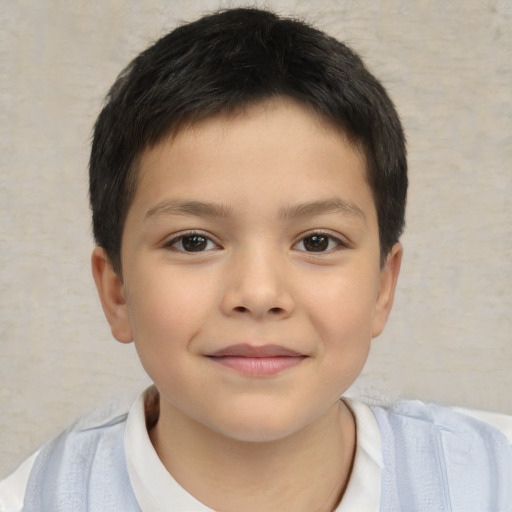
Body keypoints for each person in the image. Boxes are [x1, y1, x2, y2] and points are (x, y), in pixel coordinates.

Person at [1, 7, 511, 512]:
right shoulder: (29, 501)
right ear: (115, 291)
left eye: (317, 242)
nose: (260, 295)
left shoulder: (493, 481)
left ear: (383, 285)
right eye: (193, 242)